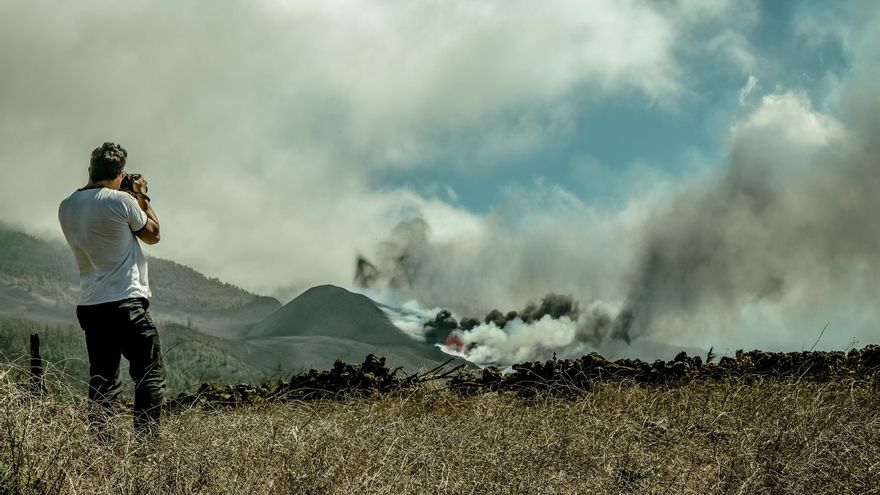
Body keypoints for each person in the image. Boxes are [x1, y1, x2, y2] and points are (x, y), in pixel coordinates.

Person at [58, 142, 164, 442]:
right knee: (149, 374)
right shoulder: (121, 202)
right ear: (119, 174)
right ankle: (146, 450)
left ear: (90, 170)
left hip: (91, 304)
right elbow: (153, 235)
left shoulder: (66, 206)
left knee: (103, 381)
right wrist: (141, 194)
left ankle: (101, 448)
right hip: (126, 301)